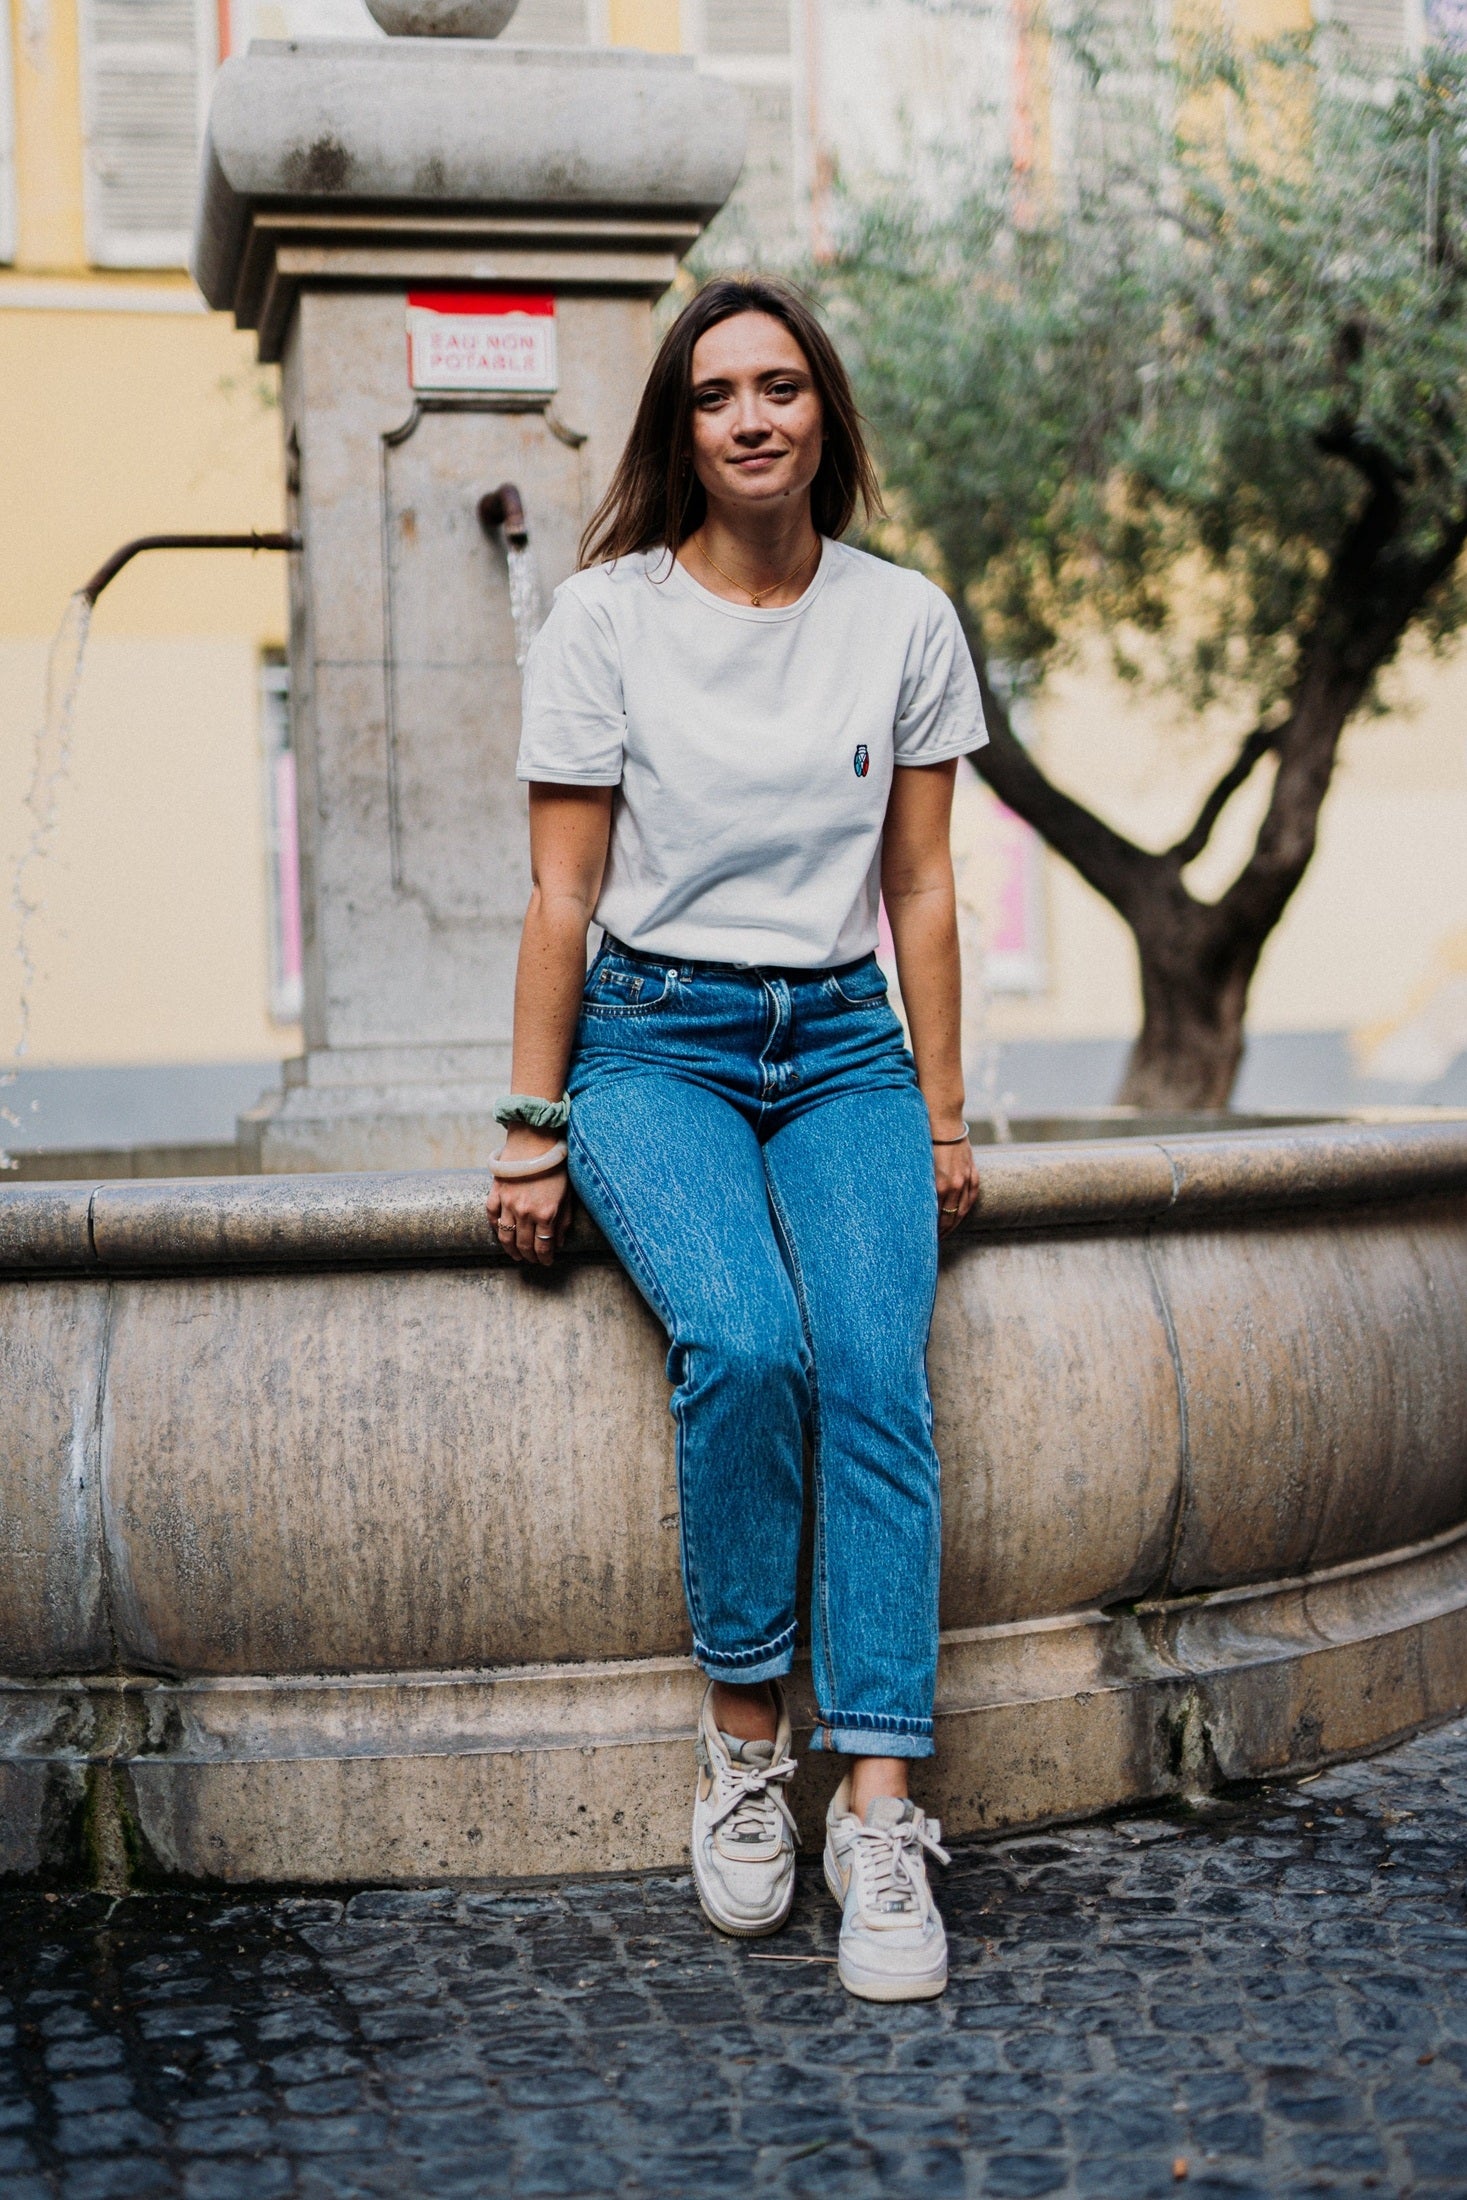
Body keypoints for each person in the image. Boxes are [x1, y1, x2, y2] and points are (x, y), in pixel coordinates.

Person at [487, 274, 985, 2002]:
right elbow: (563, 891)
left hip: (843, 1040)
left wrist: (940, 1109)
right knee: (748, 1346)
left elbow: (918, 884)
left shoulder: (904, 617)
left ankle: (881, 1815)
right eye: (718, 396)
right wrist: (533, 1129)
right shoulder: (605, 620)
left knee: (871, 1363)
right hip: (652, 1042)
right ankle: (745, 1755)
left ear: (826, 416)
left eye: (783, 388)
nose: (754, 417)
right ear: (681, 432)